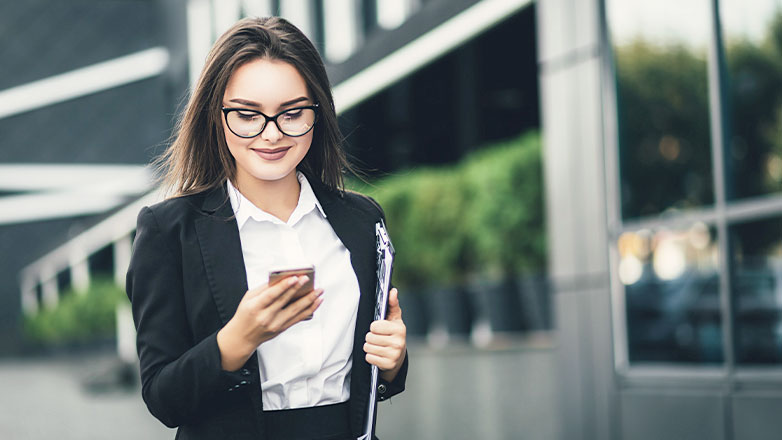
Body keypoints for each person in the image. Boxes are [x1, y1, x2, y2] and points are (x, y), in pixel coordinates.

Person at [125, 16, 408, 440]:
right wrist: (236, 340)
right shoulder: (169, 231)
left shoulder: (363, 219)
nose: (271, 134)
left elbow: (376, 377)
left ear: (318, 111)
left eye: (292, 113)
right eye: (247, 114)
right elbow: (163, 398)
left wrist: (393, 359)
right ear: (215, 116)